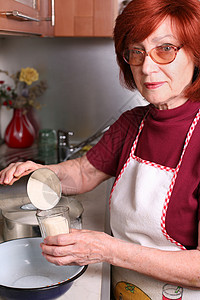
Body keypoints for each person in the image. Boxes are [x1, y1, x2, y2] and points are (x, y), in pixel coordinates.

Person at [1, 0, 200, 298]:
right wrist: (43, 172)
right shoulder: (132, 123)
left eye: (165, 48)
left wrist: (106, 249)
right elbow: (83, 172)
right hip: (124, 288)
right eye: (137, 51)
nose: (147, 67)